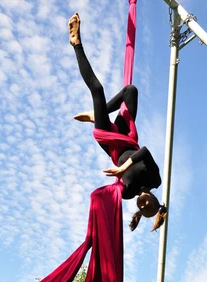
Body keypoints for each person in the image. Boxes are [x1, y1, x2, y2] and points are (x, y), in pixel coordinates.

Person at [68, 13, 166, 232]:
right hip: (127, 136)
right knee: (130, 90)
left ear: (140, 210)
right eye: (150, 205)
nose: (145, 203)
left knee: (98, 90)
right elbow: (145, 152)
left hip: (110, 142)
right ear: (156, 200)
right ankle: (97, 113)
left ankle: (76, 43)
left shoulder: (127, 192)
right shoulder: (155, 178)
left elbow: (106, 200)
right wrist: (123, 167)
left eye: (144, 209)